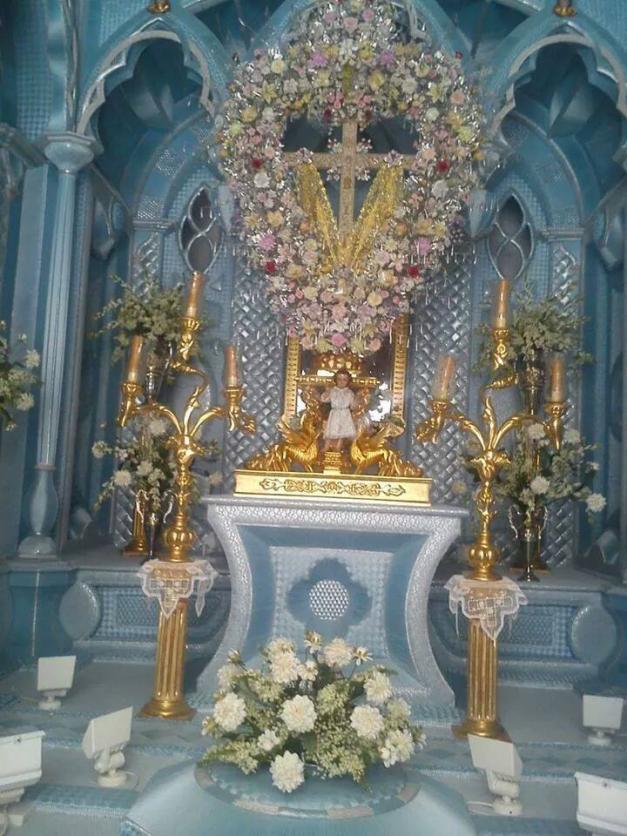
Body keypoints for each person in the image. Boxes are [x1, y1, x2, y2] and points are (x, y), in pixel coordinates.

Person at [319, 368, 358, 452]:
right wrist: (327, 392)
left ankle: (338, 447)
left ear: (348, 381)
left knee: (342, 432)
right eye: (339, 379)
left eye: (344, 380)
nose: (341, 382)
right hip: (335, 413)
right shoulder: (333, 391)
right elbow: (323, 399)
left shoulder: (349, 393)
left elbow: (353, 405)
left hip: (345, 414)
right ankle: (326, 446)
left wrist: (356, 403)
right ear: (336, 380)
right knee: (331, 430)